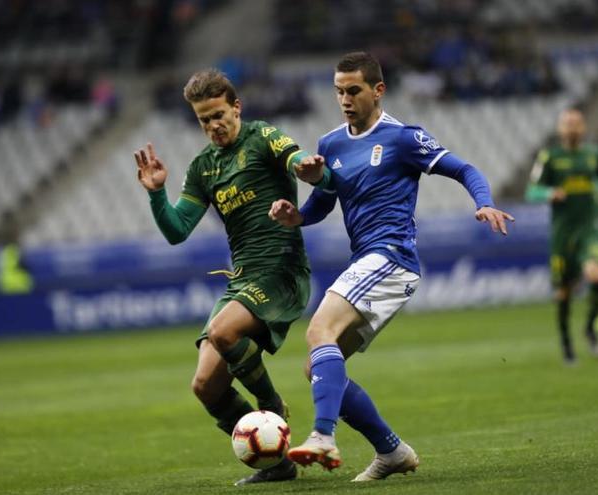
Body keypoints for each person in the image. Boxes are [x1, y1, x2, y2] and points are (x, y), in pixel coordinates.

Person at [268, 51, 514, 482]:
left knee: (317, 332)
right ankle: (392, 451)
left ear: (378, 90)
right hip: (367, 259)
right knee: (318, 368)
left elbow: (465, 168)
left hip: (392, 256)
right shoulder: (330, 144)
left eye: (353, 90)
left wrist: (484, 203)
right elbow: (324, 203)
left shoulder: (402, 138)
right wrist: (297, 217)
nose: (344, 99)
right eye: (338, 91)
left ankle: (322, 436)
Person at [134, 69, 313, 486]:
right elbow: (177, 231)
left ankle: (271, 407)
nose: (213, 125)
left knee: (222, 332)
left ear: (236, 107)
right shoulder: (202, 168)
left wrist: (306, 166)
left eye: (218, 114)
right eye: (203, 119)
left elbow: (295, 157)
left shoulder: (263, 137)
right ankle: (277, 463)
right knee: (204, 387)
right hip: (243, 280)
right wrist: (157, 192)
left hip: (281, 271)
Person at [525, 108, 598, 365]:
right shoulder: (549, 157)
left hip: (589, 229)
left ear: (582, 128)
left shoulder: (593, 155)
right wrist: (549, 194)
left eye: (576, 123)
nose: (572, 128)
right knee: (563, 294)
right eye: (567, 123)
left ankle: (591, 328)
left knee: (596, 273)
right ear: (560, 128)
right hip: (563, 235)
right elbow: (531, 191)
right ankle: (567, 344)